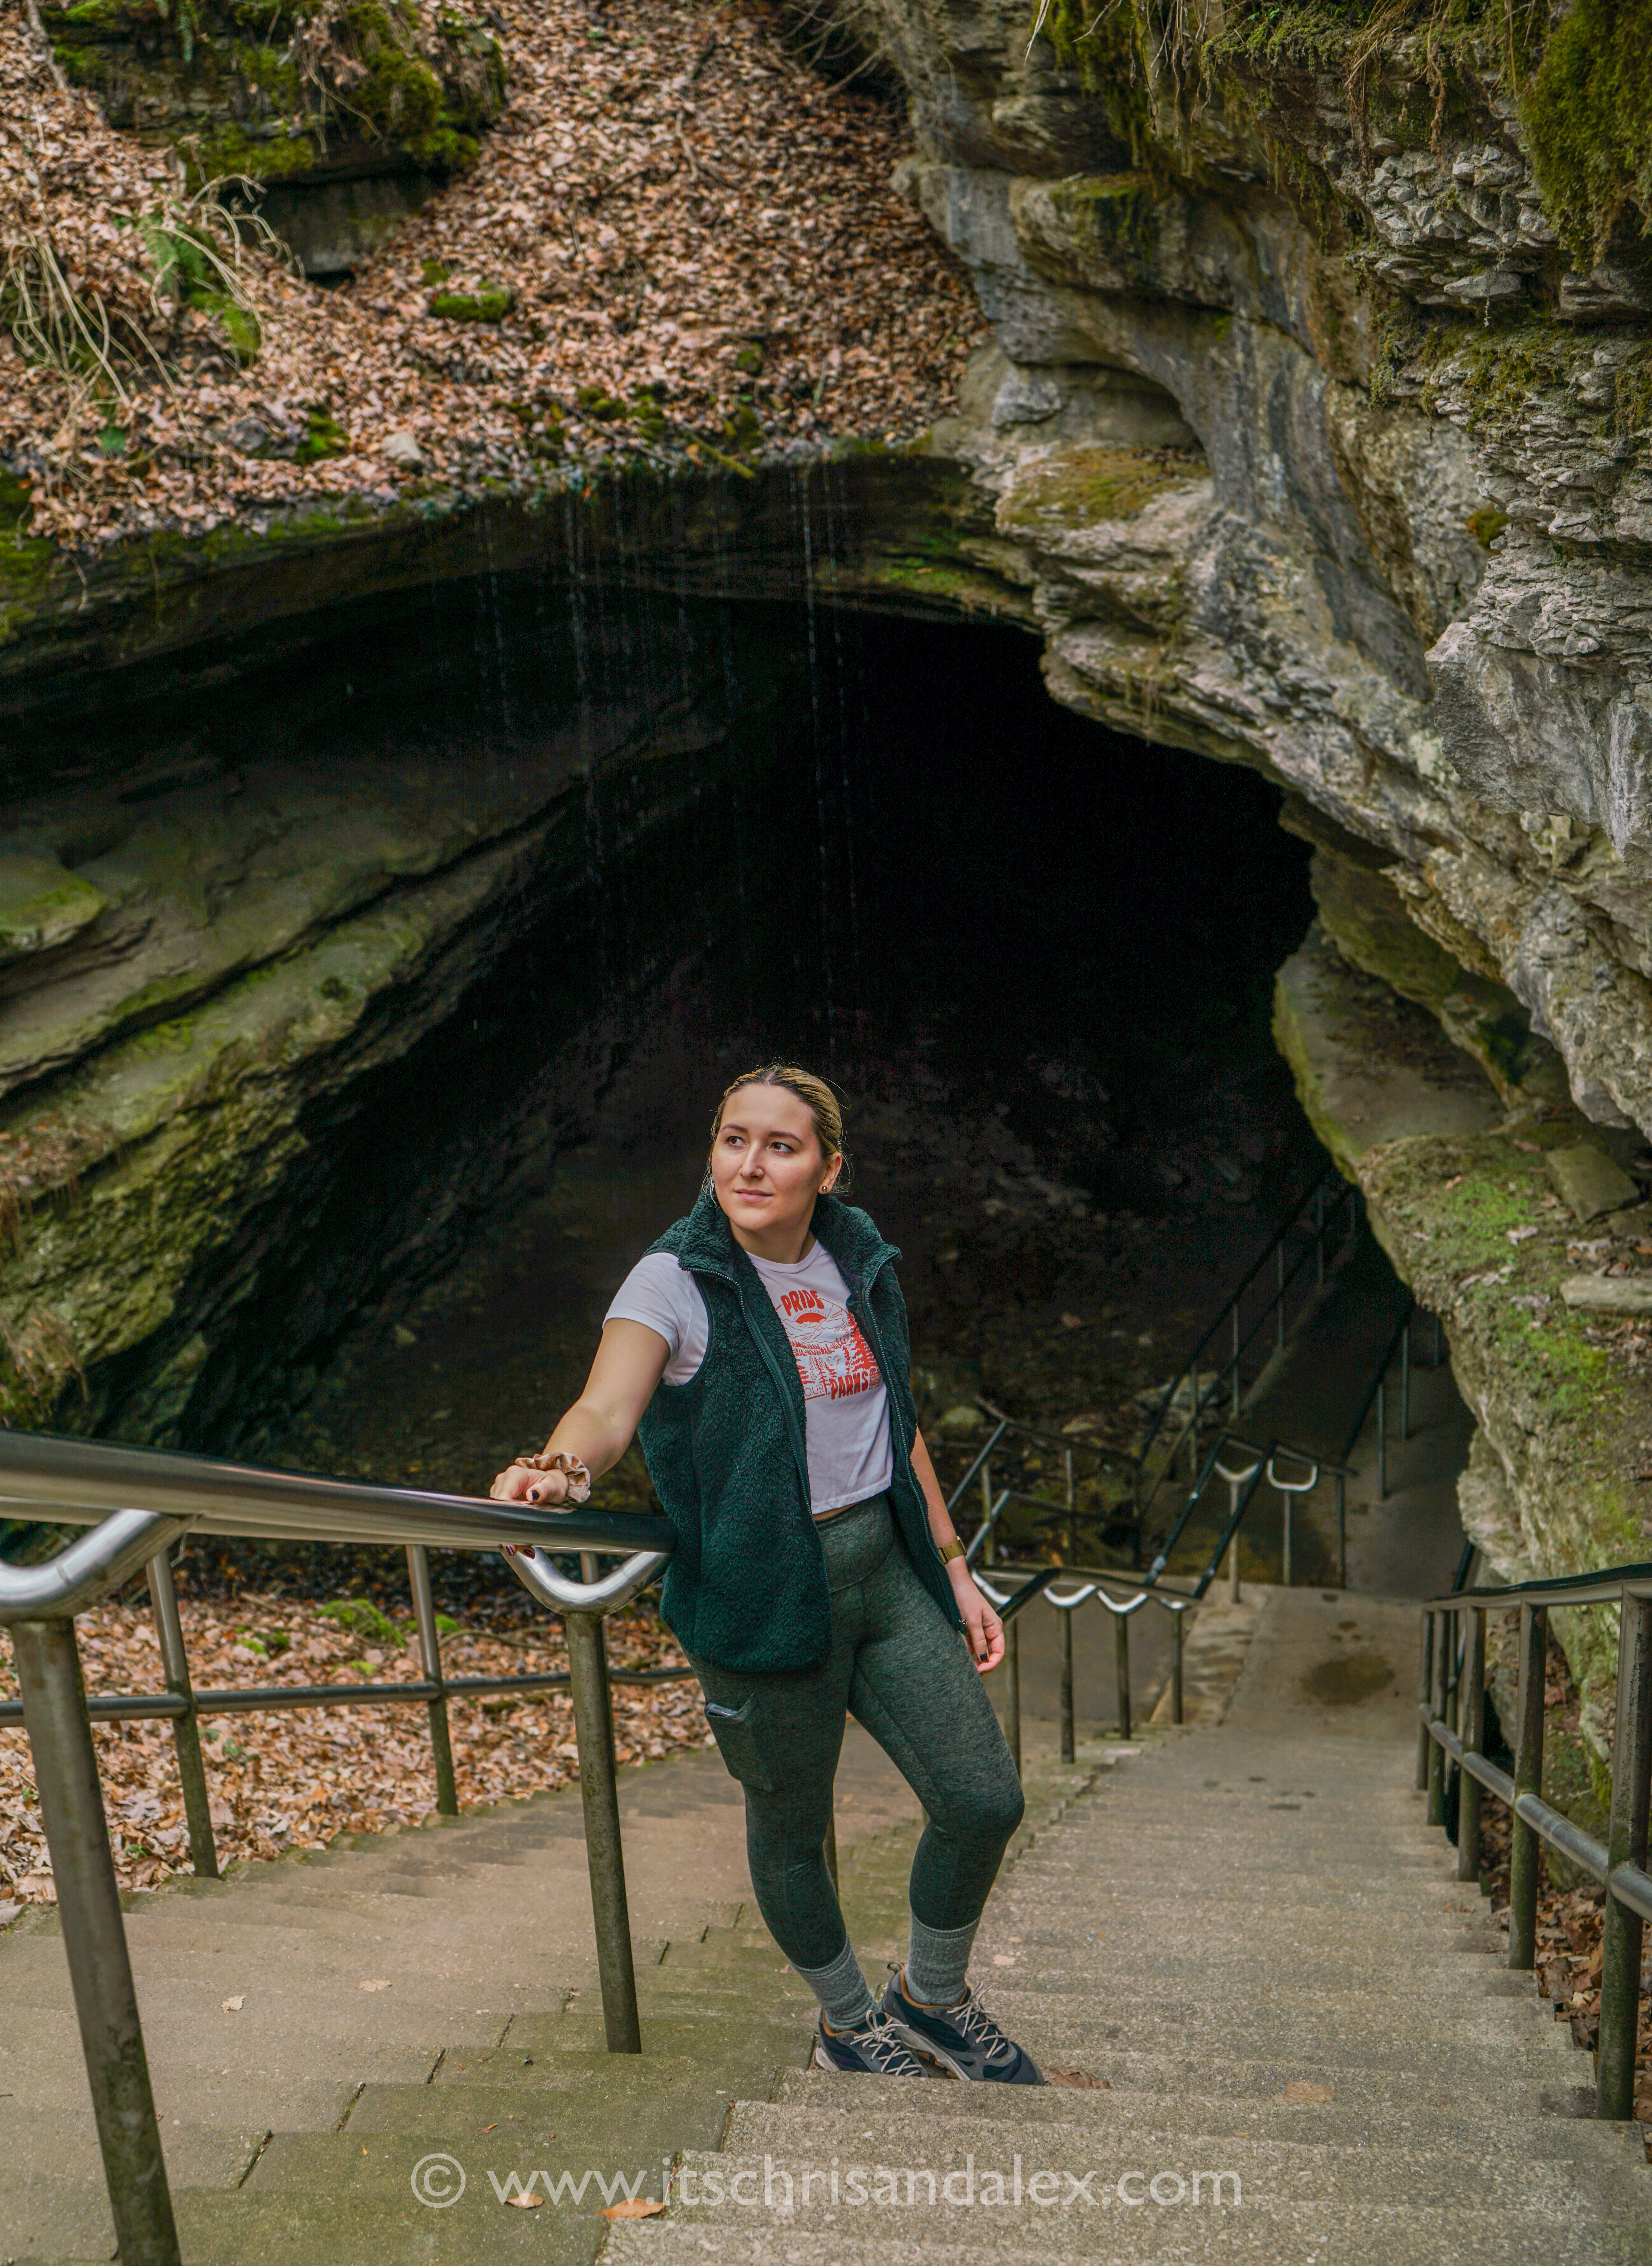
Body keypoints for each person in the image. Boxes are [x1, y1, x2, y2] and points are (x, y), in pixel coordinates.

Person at [489, 1062, 1042, 2082]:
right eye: (734, 1138)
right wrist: (561, 1470)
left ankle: (932, 1995)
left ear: (828, 1168)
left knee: (983, 1798)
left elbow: (898, 1421)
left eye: (780, 1145)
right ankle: (844, 2023)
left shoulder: (855, 1255)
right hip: (761, 1591)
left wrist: (955, 1564)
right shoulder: (676, 1279)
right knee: (790, 1828)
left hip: (883, 1575)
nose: (750, 1162)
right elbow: (607, 1406)